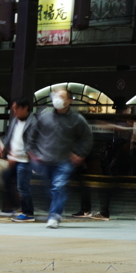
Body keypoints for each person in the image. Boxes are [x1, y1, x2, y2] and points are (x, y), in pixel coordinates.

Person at [23, 88, 93, 229]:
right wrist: (31, 151)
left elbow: (87, 138)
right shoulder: (44, 116)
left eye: (61, 96)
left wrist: (80, 153)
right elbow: (32, 134)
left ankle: (54, 215)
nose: (57, 99)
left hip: (65, 161)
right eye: (55, 96)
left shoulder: (77, 120)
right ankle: (57, 207)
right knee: (49, 188)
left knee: (58, 186)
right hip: (44, 159)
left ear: (69, 101)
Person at [1, 97, 37, 221]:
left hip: (25, 160)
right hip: (14, 158)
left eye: (16, 108)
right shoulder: (15, 120)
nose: (14, 111)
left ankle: (28, 213)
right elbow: (9, 137)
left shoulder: (33, 122)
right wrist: (4, 148)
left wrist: (17, 155)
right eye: (13, 109)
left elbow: (32, 143)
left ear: (25, 108)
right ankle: (16, 207)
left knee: (23, 187)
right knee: (6, 178)